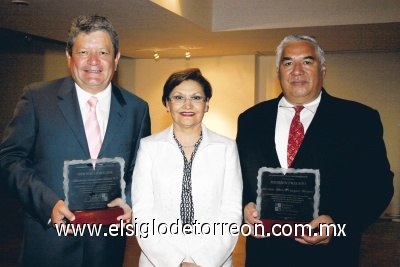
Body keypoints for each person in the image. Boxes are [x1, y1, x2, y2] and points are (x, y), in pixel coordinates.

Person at [0, 15, 150, 267]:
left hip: (107, 246)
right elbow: (10, 160)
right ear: (69, 57)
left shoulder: (137, 108)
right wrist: (48, 204)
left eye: (103, 52)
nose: (94, 61)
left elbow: (141, 169)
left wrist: (130, 202)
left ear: (116, 58)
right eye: (83, 51)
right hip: (49, 245)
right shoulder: (37, 99)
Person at [236, 35, 393, 266]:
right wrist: (244, 208)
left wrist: (339, 224)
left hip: (329, 256)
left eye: (307, 62)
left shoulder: (359, 119)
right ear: (278, 71)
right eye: (288, 63)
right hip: (265, 254)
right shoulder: (251, 120)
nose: (297, 71)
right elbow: (237, 180)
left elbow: (378, 186)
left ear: (323, 69)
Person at [131, 68, 242, 266]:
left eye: (197, 97)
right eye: (178, 97)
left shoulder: (226, 148)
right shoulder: (149, 147)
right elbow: (143, 212)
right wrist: (174, 261)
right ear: (167, 103)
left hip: (214, 261)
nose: (188, 105)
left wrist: (204, 260)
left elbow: (231, 211)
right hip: (158, 261)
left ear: (207, 104)